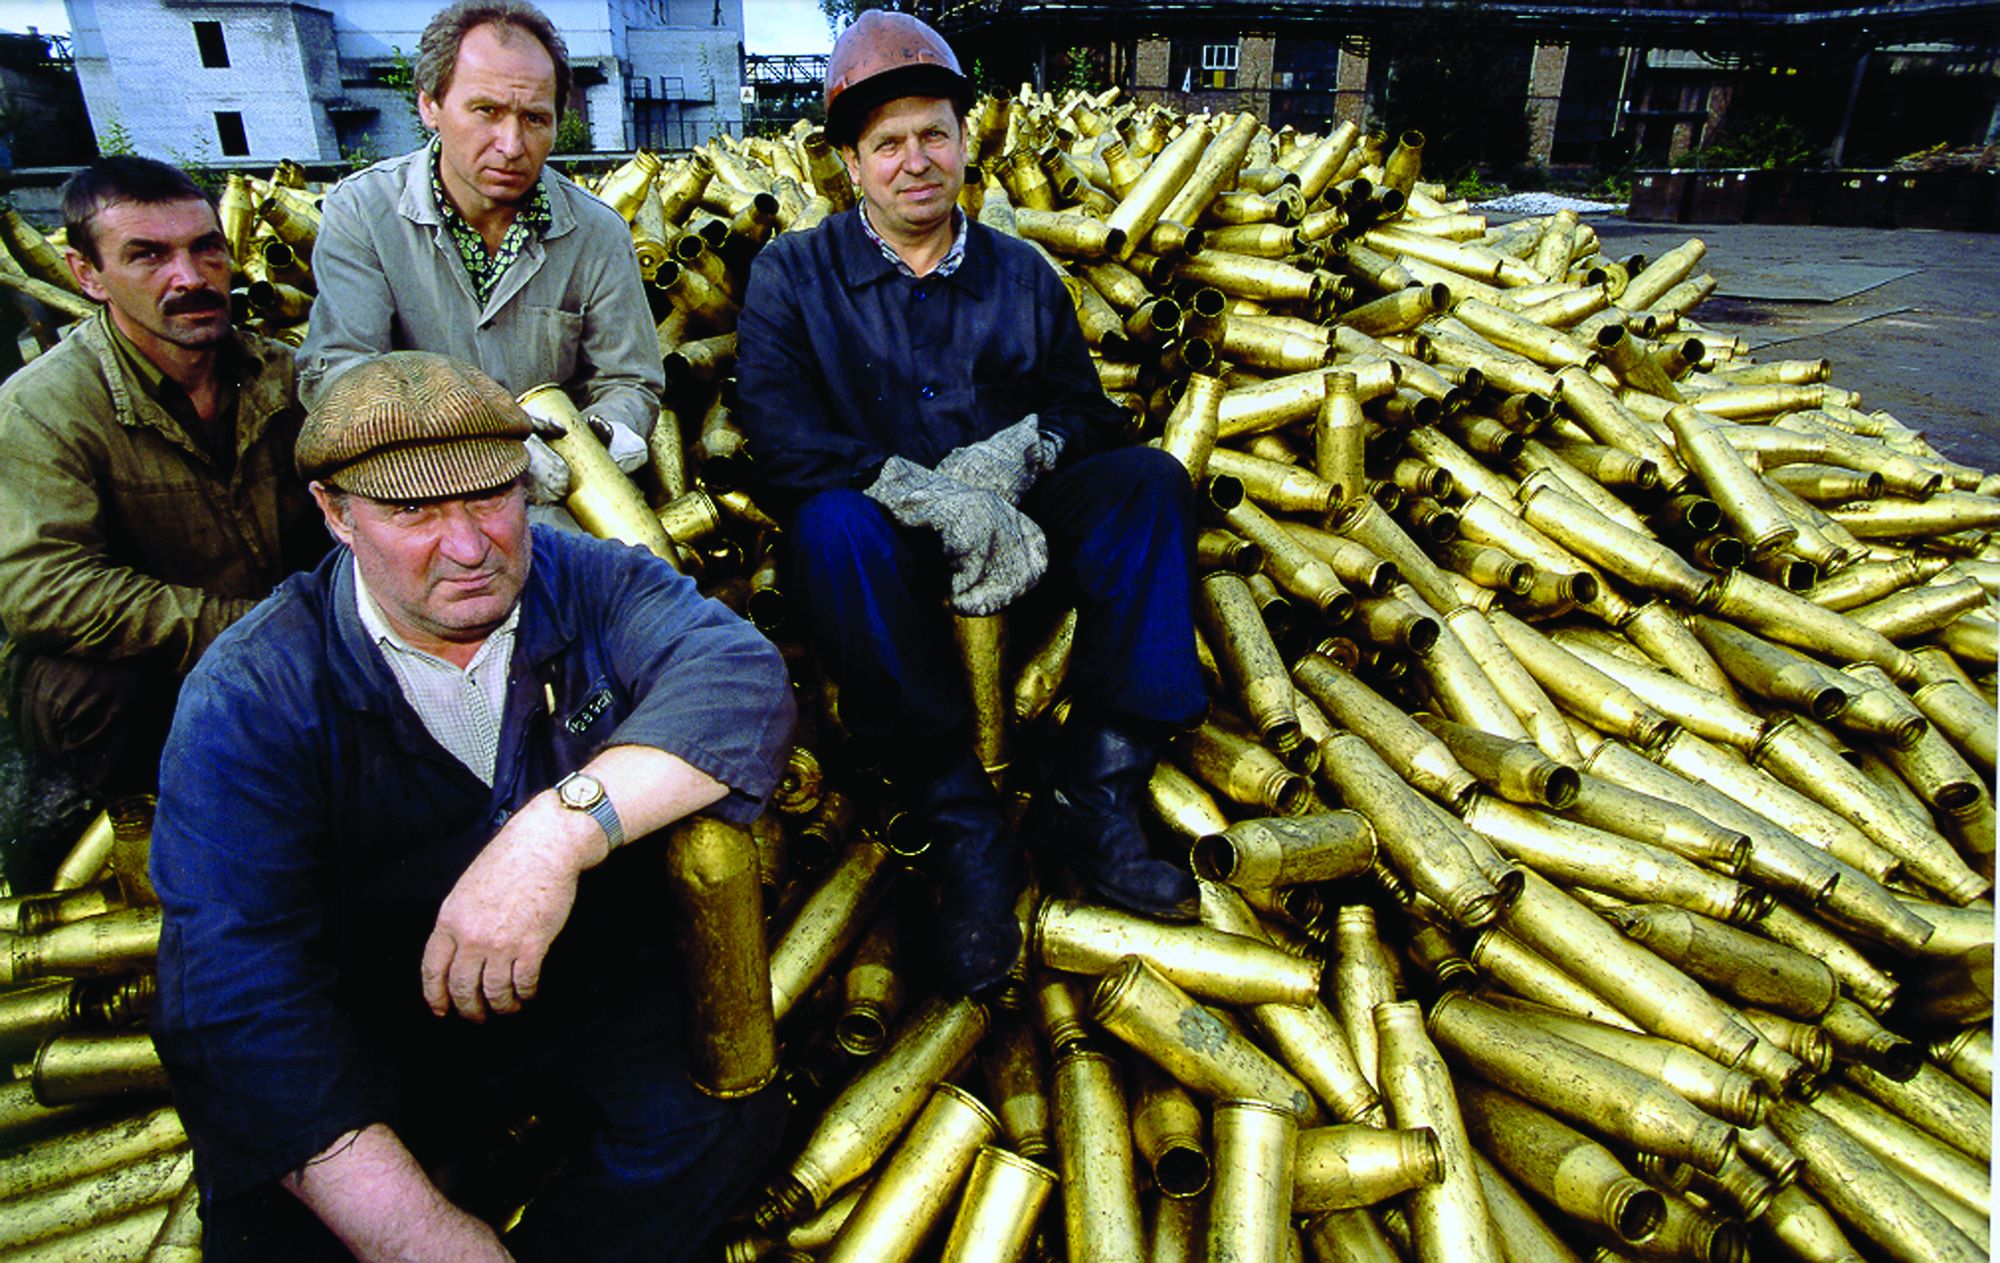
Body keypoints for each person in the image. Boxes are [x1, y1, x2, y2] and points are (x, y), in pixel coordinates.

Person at [149, 352, 796, 1262]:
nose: (468, 544)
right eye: (414, 511)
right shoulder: (250, 693)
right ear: (334, 513)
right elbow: (233, 996)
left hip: (577, 990)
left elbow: (741, 678)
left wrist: (554, 834)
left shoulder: (589, 579)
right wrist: (417, 1237)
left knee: (724, 1118)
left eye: (491, 498)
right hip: (365, 1028)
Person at [735, 11, 1207, 996]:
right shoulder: (792, 275)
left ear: (967, 139)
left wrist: (1020, 453)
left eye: (934, 134)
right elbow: (779, 441)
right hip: (886, 566)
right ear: (850, 165)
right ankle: (963, 830)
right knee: (827, 526)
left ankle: (1102, 792)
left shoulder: (1022, 275)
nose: (916, 161)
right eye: (888, 144)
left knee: (1148, 483)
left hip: (1017, 542)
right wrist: (916, 491)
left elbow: (1086, 411)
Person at [0, 156, 326, 798]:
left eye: (206, 249)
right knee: (87, 692)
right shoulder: (41, 406)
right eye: (148, 256)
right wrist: (242, 629)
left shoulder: (287, 377)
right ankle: (124, 837)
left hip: (289, 642)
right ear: (87, 275)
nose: (190, 278)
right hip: (153, 664)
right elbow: (42, 586)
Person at [298, 0, 663, 497]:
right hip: (413, 494)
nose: (512, 144)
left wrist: (601, 435)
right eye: (486, 111)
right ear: (430, 105)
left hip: (561, 502)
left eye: (535, 118)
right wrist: (477, 438)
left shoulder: (598, 232)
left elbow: (630, 380)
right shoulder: (362, 213)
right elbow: (339, 374)